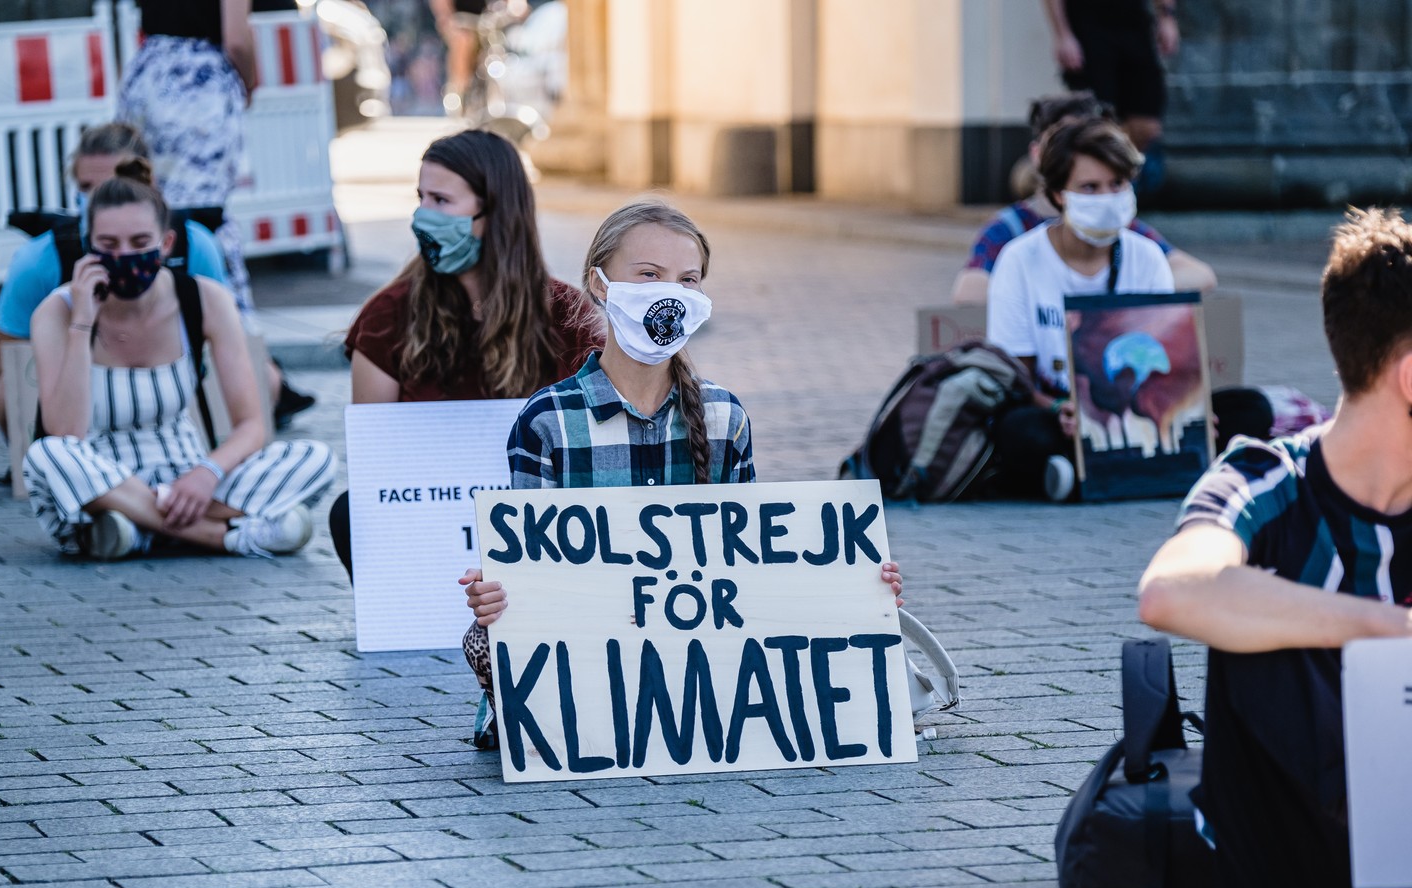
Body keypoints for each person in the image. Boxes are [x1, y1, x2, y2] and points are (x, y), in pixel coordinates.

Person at [458, 199, 905, 747]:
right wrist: (498, 594)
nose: (670, 293)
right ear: (599, 285)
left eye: (687, 280)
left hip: (701, 668)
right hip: (594, 657)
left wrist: (853, 585)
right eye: (648, 275)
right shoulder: (548, 422)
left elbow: (756, 565)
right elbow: (534, 573)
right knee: (483, 637)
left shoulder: (724, 418)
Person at [1137, 206, 1412, 888]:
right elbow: (1169, 592)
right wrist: (1387, 628)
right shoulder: (1265, 477)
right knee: (1256, 606)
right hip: (1301, 877)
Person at [22, 159, 336, 560]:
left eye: (139, 244)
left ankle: (138, 528)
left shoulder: (202, 299)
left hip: (188, 476)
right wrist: (83, 322)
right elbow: (67, 432)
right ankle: (226, 537)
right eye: (108, 246)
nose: (125, 256)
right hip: (101, 477)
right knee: (48, 455)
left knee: (316, 457)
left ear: (165, 244)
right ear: (88, 245)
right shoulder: (58, 312)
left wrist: (208, 473)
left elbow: (252, 425)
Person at [330, 128, 605, 577]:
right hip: (431, 524)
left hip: (540, 525)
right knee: (350, 512)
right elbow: (375, 458)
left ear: (495, 210)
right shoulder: (387, 316)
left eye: (441, 201)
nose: (423, 215)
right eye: (420, 198)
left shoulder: (567, 314)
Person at [116, 1, 317, 429]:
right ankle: (255, 374)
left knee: (150, 216)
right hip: (199, 82)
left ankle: (167, 358)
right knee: (203, 223)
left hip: (148, 71)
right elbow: (237, 38)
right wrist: (248, 83)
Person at [0, 123, 231, 448]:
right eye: (87, 186)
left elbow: (229, 344)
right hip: (82, 395)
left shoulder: (195, 246)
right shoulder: (40, 259)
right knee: (7, 391)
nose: (99, 198)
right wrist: (71, 343)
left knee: (265, 379)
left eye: (113, 184)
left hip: (177, 391)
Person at [987, 116, 1174, 501]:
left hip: (1134, 411)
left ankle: (1074, 474)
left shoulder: (1148, 258)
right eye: (1090, 188)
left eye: (1117, 185)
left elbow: (1163, 359)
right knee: (1018, 430)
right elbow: (1017, 379)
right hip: (1058, 414)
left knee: (1248, 409)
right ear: (1058, 194)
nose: (1107, 199)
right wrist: (1060, 408)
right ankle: (1107, 467)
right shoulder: (1020, 260)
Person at [951, 92, 1214, 306]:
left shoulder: (1125, 233)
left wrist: (1112, 299)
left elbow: (1198, 274)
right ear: (1037, 153)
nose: (1082, 152)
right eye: (1062, 142)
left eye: (1115, 183)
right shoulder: (1011, 232)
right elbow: (969, 292)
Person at [1042, 0, 1178, 191]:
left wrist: (1166, 16)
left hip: (1134, 21)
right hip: (1088, 24)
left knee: (1147, 125)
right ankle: (1101, 188)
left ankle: (1119, 183)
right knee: (1097, 121)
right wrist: (1063, 34)